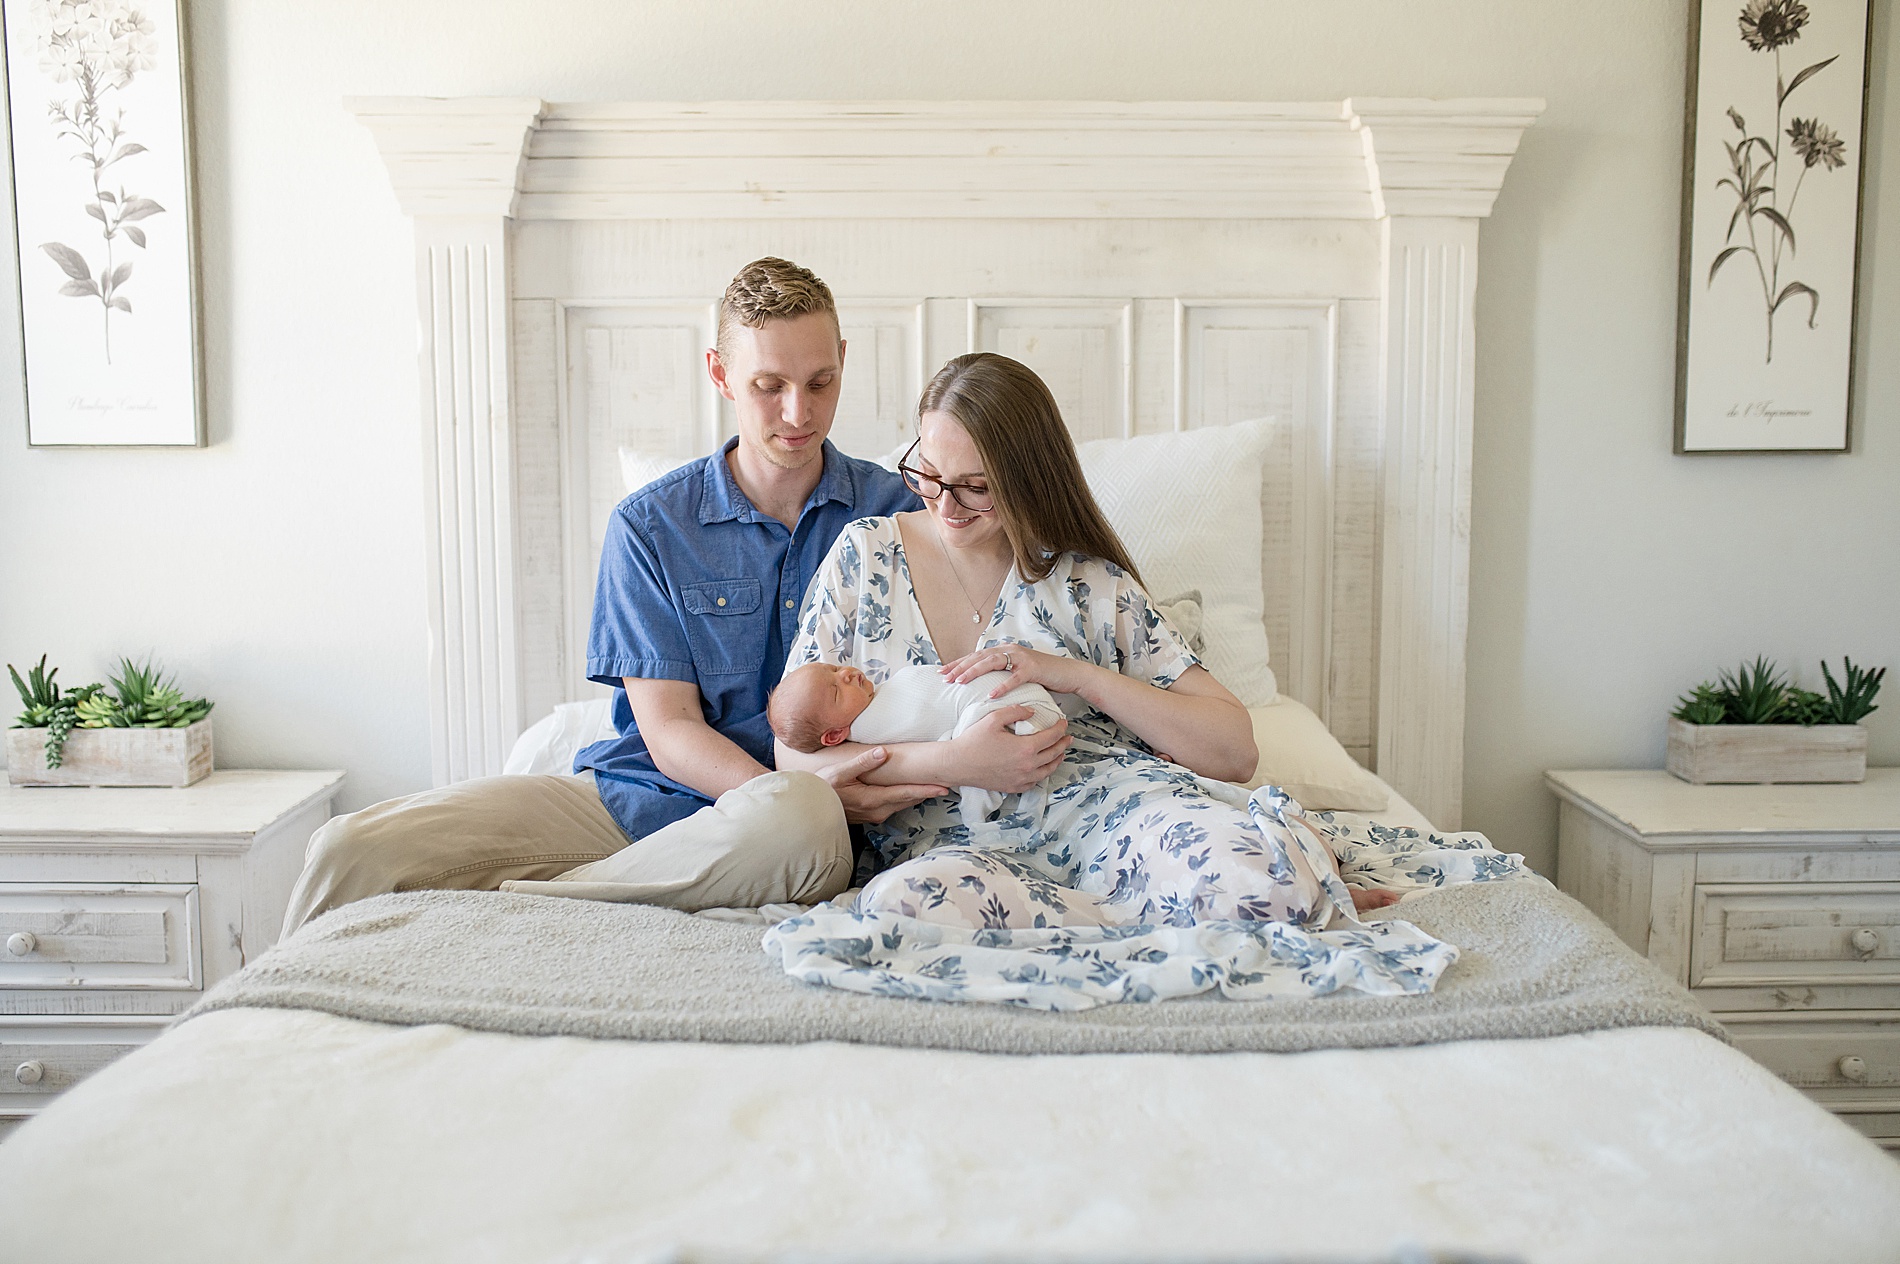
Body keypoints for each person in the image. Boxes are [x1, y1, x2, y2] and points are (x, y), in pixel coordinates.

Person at [279, 259, 1067, 936]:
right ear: (721, 375)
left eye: (820, 382)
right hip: (639, 801)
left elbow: (994, 628)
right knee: (351, 846)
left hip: (814, 825)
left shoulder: (904, 508)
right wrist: (785, 785)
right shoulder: (651, 526)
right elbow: (668, 732)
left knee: (795, 814)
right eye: (769, 386)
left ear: (843, 365)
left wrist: (827, 787)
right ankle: (277, 1026)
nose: (798, 412)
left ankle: (524, 911)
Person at [775, 351, 1402, 932]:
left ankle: (1206, 883)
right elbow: (796, 760)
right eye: (928, 475)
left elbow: (1234, 750)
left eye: (977, 486)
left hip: (1109, 816)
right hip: (955, 846)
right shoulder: (865, 558)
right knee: (898, 912)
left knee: (1262, 888)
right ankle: (1137, 913)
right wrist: (954, 764)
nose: (947, 504)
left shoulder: (1084, 582)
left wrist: (1079, 676)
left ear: (1026, 480)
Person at [766, 660, 1066, 824]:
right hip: (1016, 716)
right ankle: (979, 816)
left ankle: (978, 818)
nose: (846, 673)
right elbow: (922, 720)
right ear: (834, 736)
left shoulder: (881, 694)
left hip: (1019, 709)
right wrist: (952, 753)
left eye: (833, 668)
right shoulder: (868, 729)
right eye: (835, 691)